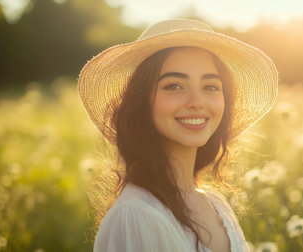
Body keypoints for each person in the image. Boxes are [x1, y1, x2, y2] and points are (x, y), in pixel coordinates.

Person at [78, 19, 278, 252]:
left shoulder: (217, 205)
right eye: (174, 86)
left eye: (211, 86)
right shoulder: (136, 215)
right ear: (142, 101)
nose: (197, 102)